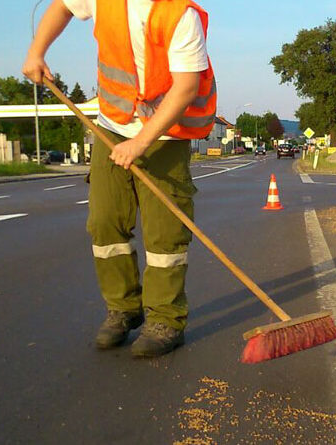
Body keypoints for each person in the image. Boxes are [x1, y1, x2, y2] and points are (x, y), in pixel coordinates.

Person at [22, 0, 216, 357]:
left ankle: (166, 320)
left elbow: (186, 87)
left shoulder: (180, 15)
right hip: (113, 124)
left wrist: (141, 142)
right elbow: (60, 7)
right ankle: (123, 309)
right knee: (104, 221)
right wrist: (36, 52)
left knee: (165, 232)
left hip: (165, 133)